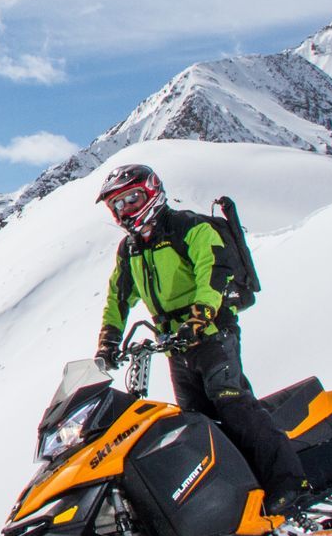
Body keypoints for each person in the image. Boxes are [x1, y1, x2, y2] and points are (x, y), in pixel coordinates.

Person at [92, 163, 312, 516]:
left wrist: (199, 317)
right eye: (117, 205)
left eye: (131, 199)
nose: (125, 210)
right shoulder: (130, 249)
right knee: (197, 424)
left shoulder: (189, 228)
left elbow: (211, 276)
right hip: (175, 344)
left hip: (211, 335)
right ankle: (235, 502)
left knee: (234, 404)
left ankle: (290, 485)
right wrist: (108, 340)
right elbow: (118, 298)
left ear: (151, 192)